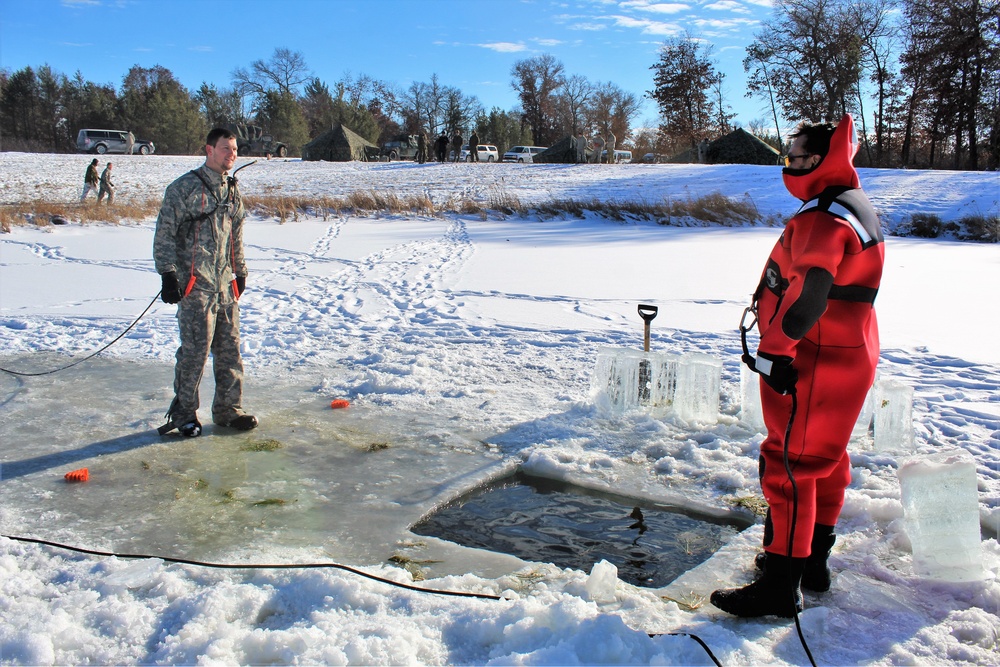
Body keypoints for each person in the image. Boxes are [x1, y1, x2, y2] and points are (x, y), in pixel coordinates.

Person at [711, 114, 884, 618]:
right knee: (825, 459)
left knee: (789, 466)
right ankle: (812, 564)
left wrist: (776, 350)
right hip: (848, 352)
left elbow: (810, 289)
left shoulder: (822, 217)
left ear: (823, 159)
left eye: (797, 156)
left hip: (814, 356)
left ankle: (781, 584)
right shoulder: (852, 204)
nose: (788, 164)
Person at [153, 127, 257, 438]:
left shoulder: (232, 190)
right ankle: (185, 414)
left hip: (225, 285)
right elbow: (165, 234)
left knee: (230, 352)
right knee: (195, 354)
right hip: (194, 285)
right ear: (209, 150)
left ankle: (228, 410)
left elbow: (235, 236)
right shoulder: (183, 189)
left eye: (234, 149)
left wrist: (241, 272)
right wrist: (168, 274)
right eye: (226, 148)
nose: (232, 154)